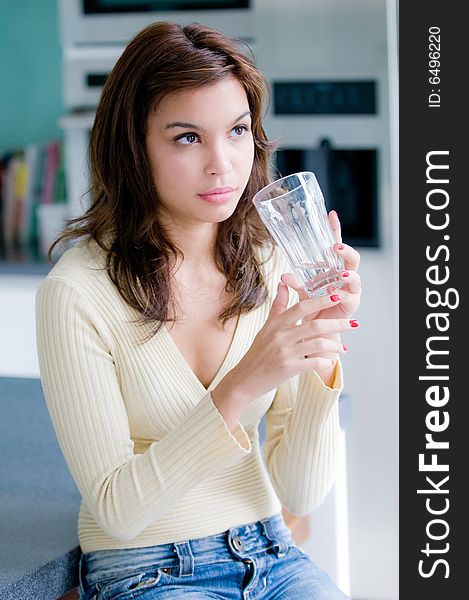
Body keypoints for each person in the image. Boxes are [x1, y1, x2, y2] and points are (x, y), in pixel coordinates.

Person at [36, 21, 361, 600]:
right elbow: (117, 510)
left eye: (237, 131)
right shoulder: (77, 293)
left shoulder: (269, 262)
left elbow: (302, 492)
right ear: (134, 146)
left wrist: (320, 359)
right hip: (146, 570)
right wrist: (242, 384)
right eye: (187, 137)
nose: (223, 164)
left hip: (271, 552)